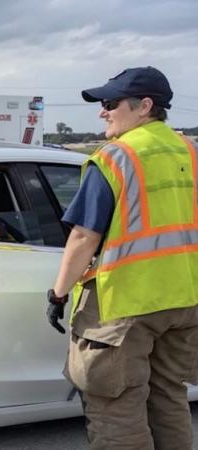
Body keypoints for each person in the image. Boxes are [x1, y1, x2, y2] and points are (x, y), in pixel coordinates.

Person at [47, 66, 198, 449]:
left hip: (128, 302)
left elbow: (83, 236)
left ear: (144, 106)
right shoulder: (190, 151)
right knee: (167, 395)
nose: (102, 112)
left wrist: (59, 293)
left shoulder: (116, 157)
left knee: (115, 406)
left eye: (110, 103)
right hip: (185, 299)